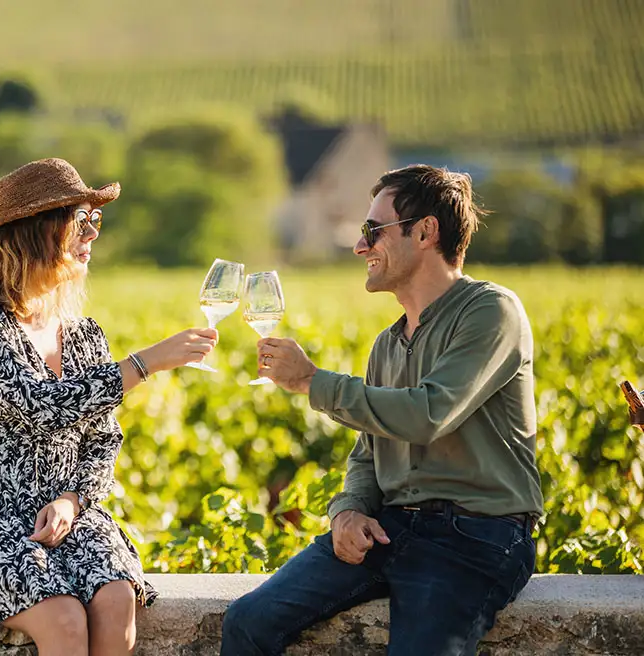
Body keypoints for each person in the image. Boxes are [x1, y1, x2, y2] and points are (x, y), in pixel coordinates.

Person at [221, 164, 545, 655]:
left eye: (373, 231)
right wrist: (348, 512)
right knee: (246, 623)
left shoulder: (491, 311)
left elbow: (428, 415)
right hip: (391, 530)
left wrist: (311, 381)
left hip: (477, 539)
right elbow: (369, 454)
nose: (359, 247)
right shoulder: (386, 345)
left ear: (426, 231)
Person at [0, 158, 218, 656]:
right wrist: (144, 363)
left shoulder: (84, 335)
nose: (93, 234)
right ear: (37, 234)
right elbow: (40, 405)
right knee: (65, 620)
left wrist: (72, 499)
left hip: (62, 510)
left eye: (96, 221)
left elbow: (102, 440)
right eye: (81, 222)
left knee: (116, 601)